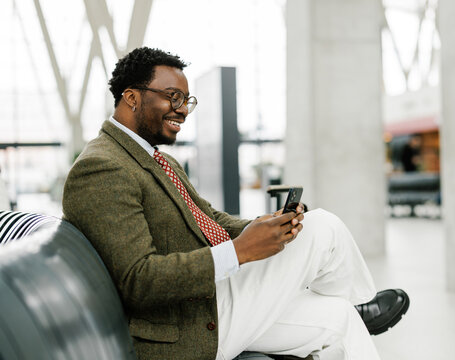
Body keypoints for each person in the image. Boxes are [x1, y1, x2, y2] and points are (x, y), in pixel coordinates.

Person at [62, 47, 409, 360]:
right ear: (132, 98)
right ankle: (358, 301)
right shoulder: (102, 167)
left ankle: (349, 307)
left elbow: (207, 218)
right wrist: (240, 252)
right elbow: (140, 281)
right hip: (187, 327)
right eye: (173, 97)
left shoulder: (156, 159)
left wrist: (263, 226)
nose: (182, 110)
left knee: (340, 321)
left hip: (212, 301)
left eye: (186, 100)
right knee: (324, 227)